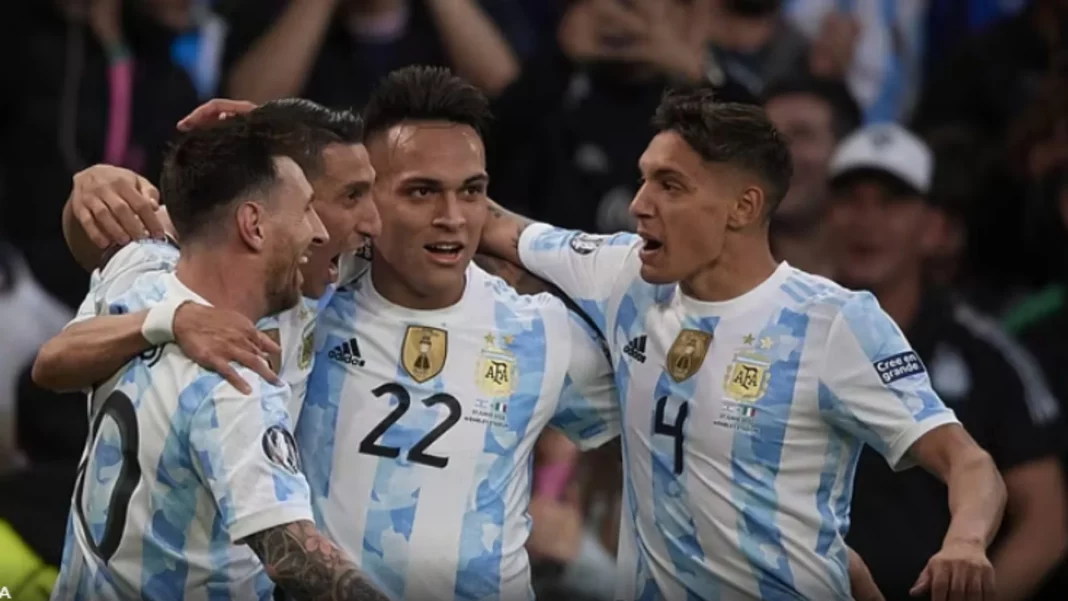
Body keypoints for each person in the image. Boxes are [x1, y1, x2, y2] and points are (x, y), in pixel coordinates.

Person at [477, 87, 1006, 600]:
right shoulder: (624, 272)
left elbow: (968, 462)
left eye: (670, 186)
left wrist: (965, 542)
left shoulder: (832, 322)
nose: (638, 204)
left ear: (743, 207)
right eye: (644, 180)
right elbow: (494, 225)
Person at [297, 65, 621, 601]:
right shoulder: (308, 307)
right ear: (367, 199)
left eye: (471, 191)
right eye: (421, 192)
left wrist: (576, 515)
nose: (452, 217)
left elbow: (641, 424)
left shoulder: (541, 331)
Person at [48, 113, 388, 600]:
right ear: (253, 224)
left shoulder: (141, 275)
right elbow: (294, 556)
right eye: (306, 209)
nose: (316, 231)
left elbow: (50, 362)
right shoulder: (238, 378)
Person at [826, 123, 1068, 601]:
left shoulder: (987, 355)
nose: (866, 221)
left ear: (933, 227)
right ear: (827, 215)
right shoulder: (781, 332)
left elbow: (1046, 521)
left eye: (890, 202)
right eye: (850, 200)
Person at [34, 98, 381, 406]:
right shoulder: (166, 272)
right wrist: (172, 320)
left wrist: (266, 125)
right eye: (351, 196)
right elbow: (53, 361)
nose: (374, 224)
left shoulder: (338, 261)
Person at [762, 75, 862, 277]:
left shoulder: (884, 278)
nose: (778, 153)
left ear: (846, 149)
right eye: (765, 137)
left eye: (801, 134)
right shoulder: (712, 277)